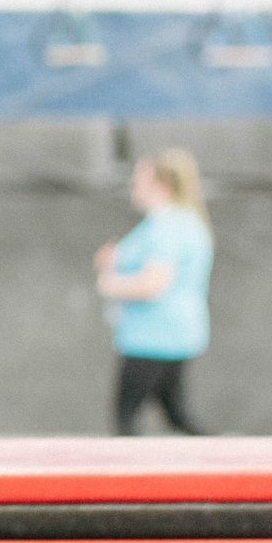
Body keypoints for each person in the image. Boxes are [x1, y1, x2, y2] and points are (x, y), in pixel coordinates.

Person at [96, 149, 214, 435]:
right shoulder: (180, 222)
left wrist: (109, 282)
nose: (133, 188)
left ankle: (128, 478)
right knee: (175, 412)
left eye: (139, 182)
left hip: (153, 338)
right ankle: (228, 457)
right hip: (172, 335)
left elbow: (153, 283)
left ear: (161, 186)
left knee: (126, 418)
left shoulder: (167, 227)